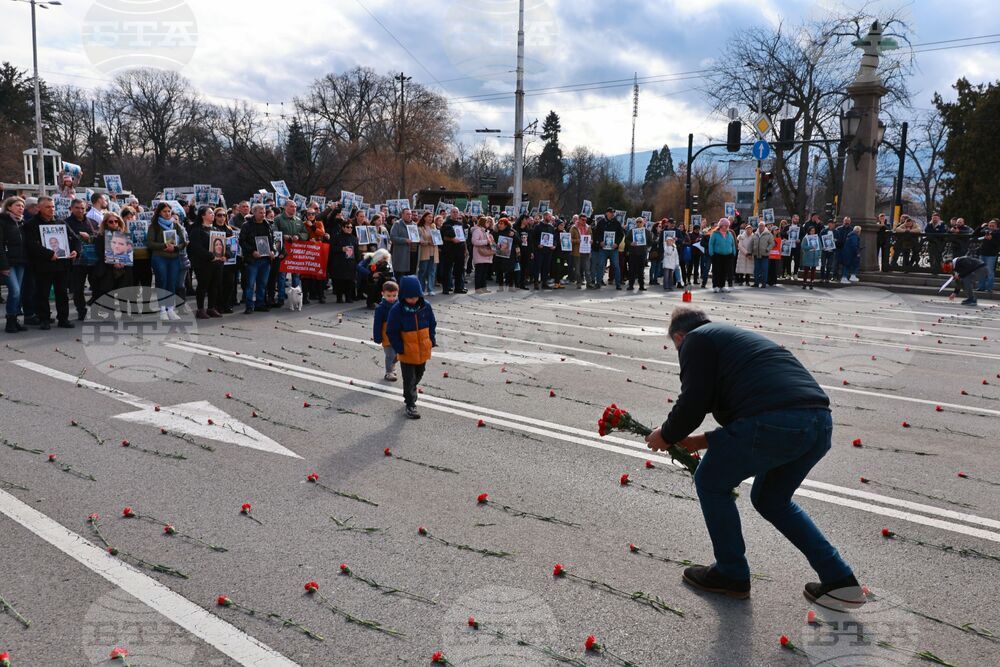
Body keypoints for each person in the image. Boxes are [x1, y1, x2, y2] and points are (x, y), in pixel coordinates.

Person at [644, 306, 863, 609]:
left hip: (779, 422)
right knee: (771, 500)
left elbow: (694, 401)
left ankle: (730, 573)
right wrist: (696, 440)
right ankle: (840, 580)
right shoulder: (731, 339)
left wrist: (666, 435)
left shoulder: (695, 341)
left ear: (679, 336)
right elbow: (755, 411)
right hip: (818, 422)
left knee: (709, 481)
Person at [386, 275, 437, 420]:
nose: (413, 300)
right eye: (409, 297)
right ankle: (410, 404)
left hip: (423, 349)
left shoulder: (425, 306)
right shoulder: (397, 309)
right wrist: (399, 348)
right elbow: (391, 331)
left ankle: (410, 391)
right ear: (403, 296)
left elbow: (432, 324)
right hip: (407, 351)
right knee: (409, 379)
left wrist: (431, 339)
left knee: (419, 374)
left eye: (415, 296)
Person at [24, 196, 79, 330]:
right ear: (39, 208)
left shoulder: (60, 223)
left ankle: (63, 318)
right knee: (42, 293)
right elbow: (31, 245)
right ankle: (44, 319)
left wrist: (75, 251)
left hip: (61, 264)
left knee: (62, 293)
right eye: (48, 207)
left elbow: (74, 238)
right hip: (43, 265)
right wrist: (49, 254)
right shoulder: (31, 225)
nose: (51, 209)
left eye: (53, 206)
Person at [146, 202, 186, 321]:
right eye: (164, 211)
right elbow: (150, 243)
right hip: (160, 257)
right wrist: (164, 245)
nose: (167, 213)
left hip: (173, 257)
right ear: (159, 212)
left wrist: (176, 247)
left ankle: (170, 309)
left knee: (172, 282)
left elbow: (183, 242)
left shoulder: (175, 225)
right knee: (162, 281)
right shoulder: (154, 226)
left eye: (169, 211)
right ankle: (162, 309)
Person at [91, 212, 134, 316]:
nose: (114, 223)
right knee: (108, 291)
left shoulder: (125, 235)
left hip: (124, 268)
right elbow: (100, 253)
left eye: (116, 221)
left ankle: (124, 313)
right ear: (105, 223)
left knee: (124, 291)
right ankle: (110, 313)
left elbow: (128, 251)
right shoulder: (100, 237)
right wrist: (113, 263)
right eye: (111, 221)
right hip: (107, 268)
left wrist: (123, 261)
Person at [187, 206, 225, 319]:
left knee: (214, 285)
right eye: (210, 213)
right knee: (203, 286)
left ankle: (211, 308)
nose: (213, 215)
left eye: (213, 213)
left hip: (217, 263)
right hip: (203, 263)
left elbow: (222, 244)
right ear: (203, 215)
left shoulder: (217, 229)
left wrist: (224, 255)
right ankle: (200, 309)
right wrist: (210, 256)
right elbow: (196, 247)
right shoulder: (196, 230)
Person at [238, 203, 274, 314]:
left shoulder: (267, 225)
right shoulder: (246, 225)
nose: (263, 215)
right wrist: (252, 251)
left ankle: (260, 304)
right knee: (250, 284)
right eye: (260, 212)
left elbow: (271, 240)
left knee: (262, 283)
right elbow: (242, 241)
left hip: (265, 259)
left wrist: (272, 251)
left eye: (264, 213)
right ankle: (249, 305)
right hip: (252, 260)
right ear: (254, 212)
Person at [0, 196, 28, 333]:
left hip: (20, 262)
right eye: (17, 205)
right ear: (9, 207)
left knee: (18, 292)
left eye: (22, 206)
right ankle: (10, 321)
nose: (21, 208)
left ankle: (14, 319)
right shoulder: (2, 222)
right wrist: (3, 265)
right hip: (8, 263)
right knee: (15, 291)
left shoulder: (22, 222)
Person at [372, 280, 400, 382]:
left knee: (397, 354)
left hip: (398, 335)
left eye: (394, 295)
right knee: (390, 354)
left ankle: (392, 367)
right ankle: (389, 372)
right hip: (386, 336)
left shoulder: (400, 305)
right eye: (389, 295)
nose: (392, 298)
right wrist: (377, 337)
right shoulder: (381, 308)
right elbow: (377, 324)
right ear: (382, 294)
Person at [439, 207, 468, 294]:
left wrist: (465, 249)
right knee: (447, 269)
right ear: (450, 213)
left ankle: (458, 288)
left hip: (459, 249)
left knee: (459, 269)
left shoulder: (460, 224)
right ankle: (446, 288)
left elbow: (463, 238)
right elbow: (443, 237)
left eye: (456, 212)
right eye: (453, 212)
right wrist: (452, 239)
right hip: (449, 250)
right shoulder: (446, 224)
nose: (455, 213)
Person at [708, 218, 736, 293]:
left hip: (727, 255)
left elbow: (733, 244)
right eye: (724, 225)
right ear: (720, 226)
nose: (726, 227)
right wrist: (712, 254)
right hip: (717, 255)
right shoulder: (715, 234)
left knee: (724, 271)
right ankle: (715, 286)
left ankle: (722, 286)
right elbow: (711, 244)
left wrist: (733, 252)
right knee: (717, 271)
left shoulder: (729, 234)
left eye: (727, 225)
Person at [417, 212, 439, 296]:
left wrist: (437, 240)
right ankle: (421, 289)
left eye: (431, 217)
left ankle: (430, 289)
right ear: (424, 217)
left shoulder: (434, 226)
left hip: (434, 251)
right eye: (429, 217)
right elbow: (419, 240)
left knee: (432, 271)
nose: (430, 218)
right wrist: (428, 242)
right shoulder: (420, 228)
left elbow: (437, 237)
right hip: (425, 251)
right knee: (423, 271)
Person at [625, 218, 650, 291]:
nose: (639, 223)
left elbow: (650, 241)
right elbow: (626, 240)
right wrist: (631, 243)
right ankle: (631, 285)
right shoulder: (632, 231)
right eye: (637, 222)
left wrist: (646, 246)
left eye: (640, 222)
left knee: (641, 270)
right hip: (633, 253)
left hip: (642, 253)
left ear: (643, 223)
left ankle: (641, 286)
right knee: (632, 270)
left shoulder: (647, 232)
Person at [390, 208, 415, 277]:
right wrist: (405, 240)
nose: (409, 216)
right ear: (402, 215)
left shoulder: (414, 225)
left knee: (410, 276)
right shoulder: (397, 224)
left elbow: (418, 236)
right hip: (401, 254)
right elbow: (393, 237)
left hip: (412, 254)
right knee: (400, 275)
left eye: (410, 214)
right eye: (407, 214)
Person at [975, 219, 997, 293]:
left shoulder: (998, 233)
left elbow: (998, 244)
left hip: (991, 255)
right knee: (981, 271)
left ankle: (989, 288)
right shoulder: (985, 231)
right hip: (982, 253)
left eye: (993, 226)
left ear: (996, 226)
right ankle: (981, 287)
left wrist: (992, 239)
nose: (991, 227)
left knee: (990, 271)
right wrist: (981, 227)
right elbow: (975, 234)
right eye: (990, 225)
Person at [750, 221, 773, 288]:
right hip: (756, 254)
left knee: (764, 270)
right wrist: (750, 252)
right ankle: (756, 283)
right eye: (760, 226)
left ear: (764, 226)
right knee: (756, 270)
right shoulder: (755, 234)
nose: (761, 227)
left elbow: (772, 243)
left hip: (764, 255)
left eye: (762, 226)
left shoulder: (769, 234)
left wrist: (768, 249)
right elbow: (752, 244)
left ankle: (763, 283)